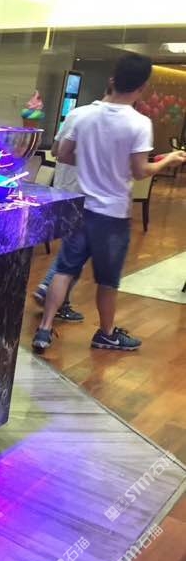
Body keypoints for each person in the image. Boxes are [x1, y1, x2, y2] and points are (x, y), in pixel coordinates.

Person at [32, 54, 186, 352]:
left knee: (64, 269)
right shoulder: (139, 123)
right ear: (142, 87)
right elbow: (140, 171)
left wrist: (93, 161)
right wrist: (168, 159)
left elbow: (63, 155)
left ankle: (44, 330)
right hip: (112, 215)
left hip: (81, 207)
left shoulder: (82, 115)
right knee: (107, 281)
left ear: (112, 80)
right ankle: (106, 333)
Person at [32, 93, 112, 322]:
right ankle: (49, 287)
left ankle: (60, 300)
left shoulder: (76, 113)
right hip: (88, 194)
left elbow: (56, 150)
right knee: (76, 251)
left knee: (74, 247)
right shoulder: (111, 122)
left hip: (63, 190)